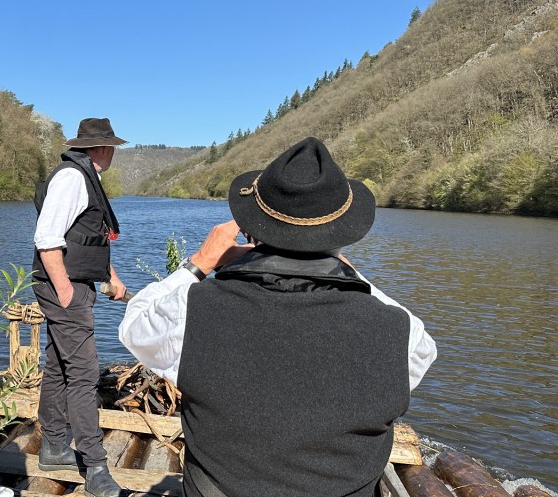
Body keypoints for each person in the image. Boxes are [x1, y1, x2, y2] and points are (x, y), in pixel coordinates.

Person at [118, 136, 438, 497]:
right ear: (343, 232)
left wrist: (201, 262)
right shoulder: (401, 333)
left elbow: (134, 325)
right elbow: (419, 348)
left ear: (252, 228)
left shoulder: (192, 310)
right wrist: (346, 270)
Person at [31, 117, 128, 497]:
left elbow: (88, 240)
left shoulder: (87, 176)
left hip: (76, 284)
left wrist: (112, 277)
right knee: (85, 374)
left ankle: (54, 446)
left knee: (58, 368)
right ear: (106, 148)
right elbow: (47, 238)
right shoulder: (73, 178)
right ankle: (95, 465)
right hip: (64, 288)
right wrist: (65, 291)